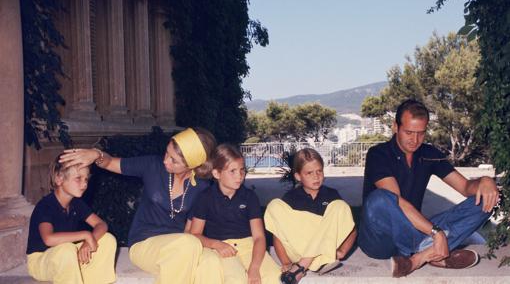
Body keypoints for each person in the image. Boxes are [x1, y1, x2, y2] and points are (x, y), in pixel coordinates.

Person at [358, 99, 499, 278]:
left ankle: (418, 258)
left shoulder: (429, 154)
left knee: (488, 198)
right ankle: (433, 253)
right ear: (395, 126)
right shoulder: (378, 154)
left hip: (416, 231)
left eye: (421, 133)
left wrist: (486, 181)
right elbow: (395, 203)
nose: (415, 140)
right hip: (380, 240)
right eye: (409, 132)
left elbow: (464, 187)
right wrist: (436, 232)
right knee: (379, 199)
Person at [59, 127, 216, 284]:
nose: (165, 160)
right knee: (188, 245)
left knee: (210, 260)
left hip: (178, 247)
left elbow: (189, 231)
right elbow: (110, 163)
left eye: (174, 160)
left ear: (192, 165)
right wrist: (96, 154)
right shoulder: (152, 166)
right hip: (144, 243)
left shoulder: (201, 187)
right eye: (167, 153)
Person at [190, 144, 281, 284]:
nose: (239, 176)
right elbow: (194, 234)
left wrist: (255, 267)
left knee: (274, 277)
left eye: (241, 170)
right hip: (222, 248)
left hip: (249, 246)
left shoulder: (250, 197)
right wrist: (216, 244)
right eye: (232, 171)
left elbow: (259, 237)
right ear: (216, 173)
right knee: (236, 279)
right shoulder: (205, 198)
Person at [264, 148, 357, 284]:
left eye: (319, 171)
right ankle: (316, 262)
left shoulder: (331, 195)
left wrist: (342, 251)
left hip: (322, 251)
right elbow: (278, 235)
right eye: (309, 173)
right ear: (298, 176)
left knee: (340, 206)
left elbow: (351, 229)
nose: (316, 176)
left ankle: (304, 265)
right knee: (274, 206)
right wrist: (285, 262)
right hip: (299, 250)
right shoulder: (291, 198)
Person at [26, 154, 117, 284]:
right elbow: (49, 239)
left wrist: (88, 241)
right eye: (78, 178)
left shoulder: (76, 203)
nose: (84, 184)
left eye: (86, 179)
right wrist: (86, 235)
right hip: (41, 261)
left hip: (67, 257)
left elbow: (101, 224)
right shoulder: (46, 205)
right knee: (67, 250)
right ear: (59, 179)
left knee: (108, 240)